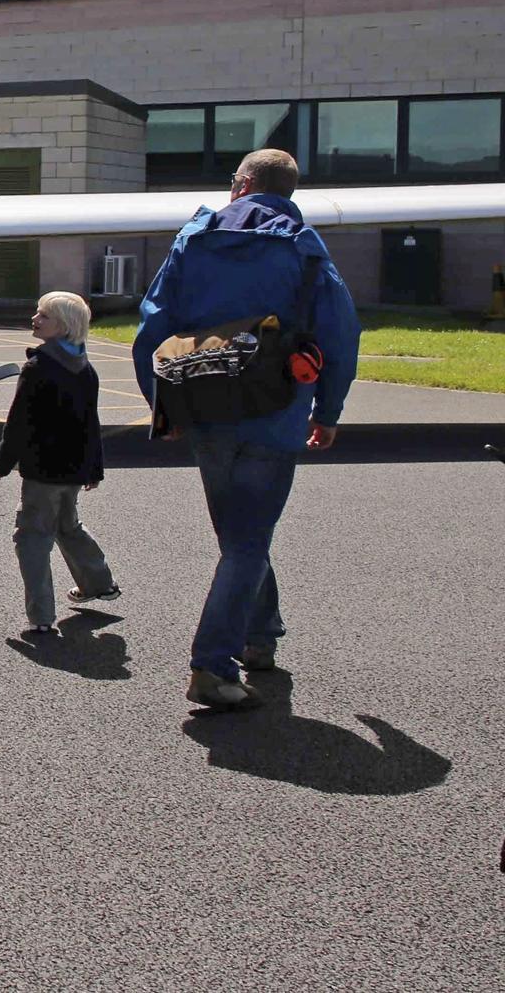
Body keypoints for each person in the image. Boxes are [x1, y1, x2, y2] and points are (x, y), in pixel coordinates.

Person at [133, 149, 360, 712]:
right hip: (276, 412)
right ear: (288, 192)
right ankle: (212, 665)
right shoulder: (304, 245)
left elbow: (152, 327)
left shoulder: (196, 236)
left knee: (240, 537)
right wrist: (327, 412)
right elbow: (341, 334)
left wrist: (162, 408)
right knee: (248, 539)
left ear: (241, 185)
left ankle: (262, 638)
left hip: (206, 406)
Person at [0, 291, 119, 636]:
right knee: (67, 525)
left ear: (62, 326)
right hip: (74, 467)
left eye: (43, 315)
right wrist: (94, 467)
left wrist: (3, 461)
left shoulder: (39, 368)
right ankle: (99, 582)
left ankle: (41, 615)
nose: (35, 319)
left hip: (44, 469)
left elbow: (19, 421)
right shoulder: (85, 369)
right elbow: (91, 423)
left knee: (32, 537)